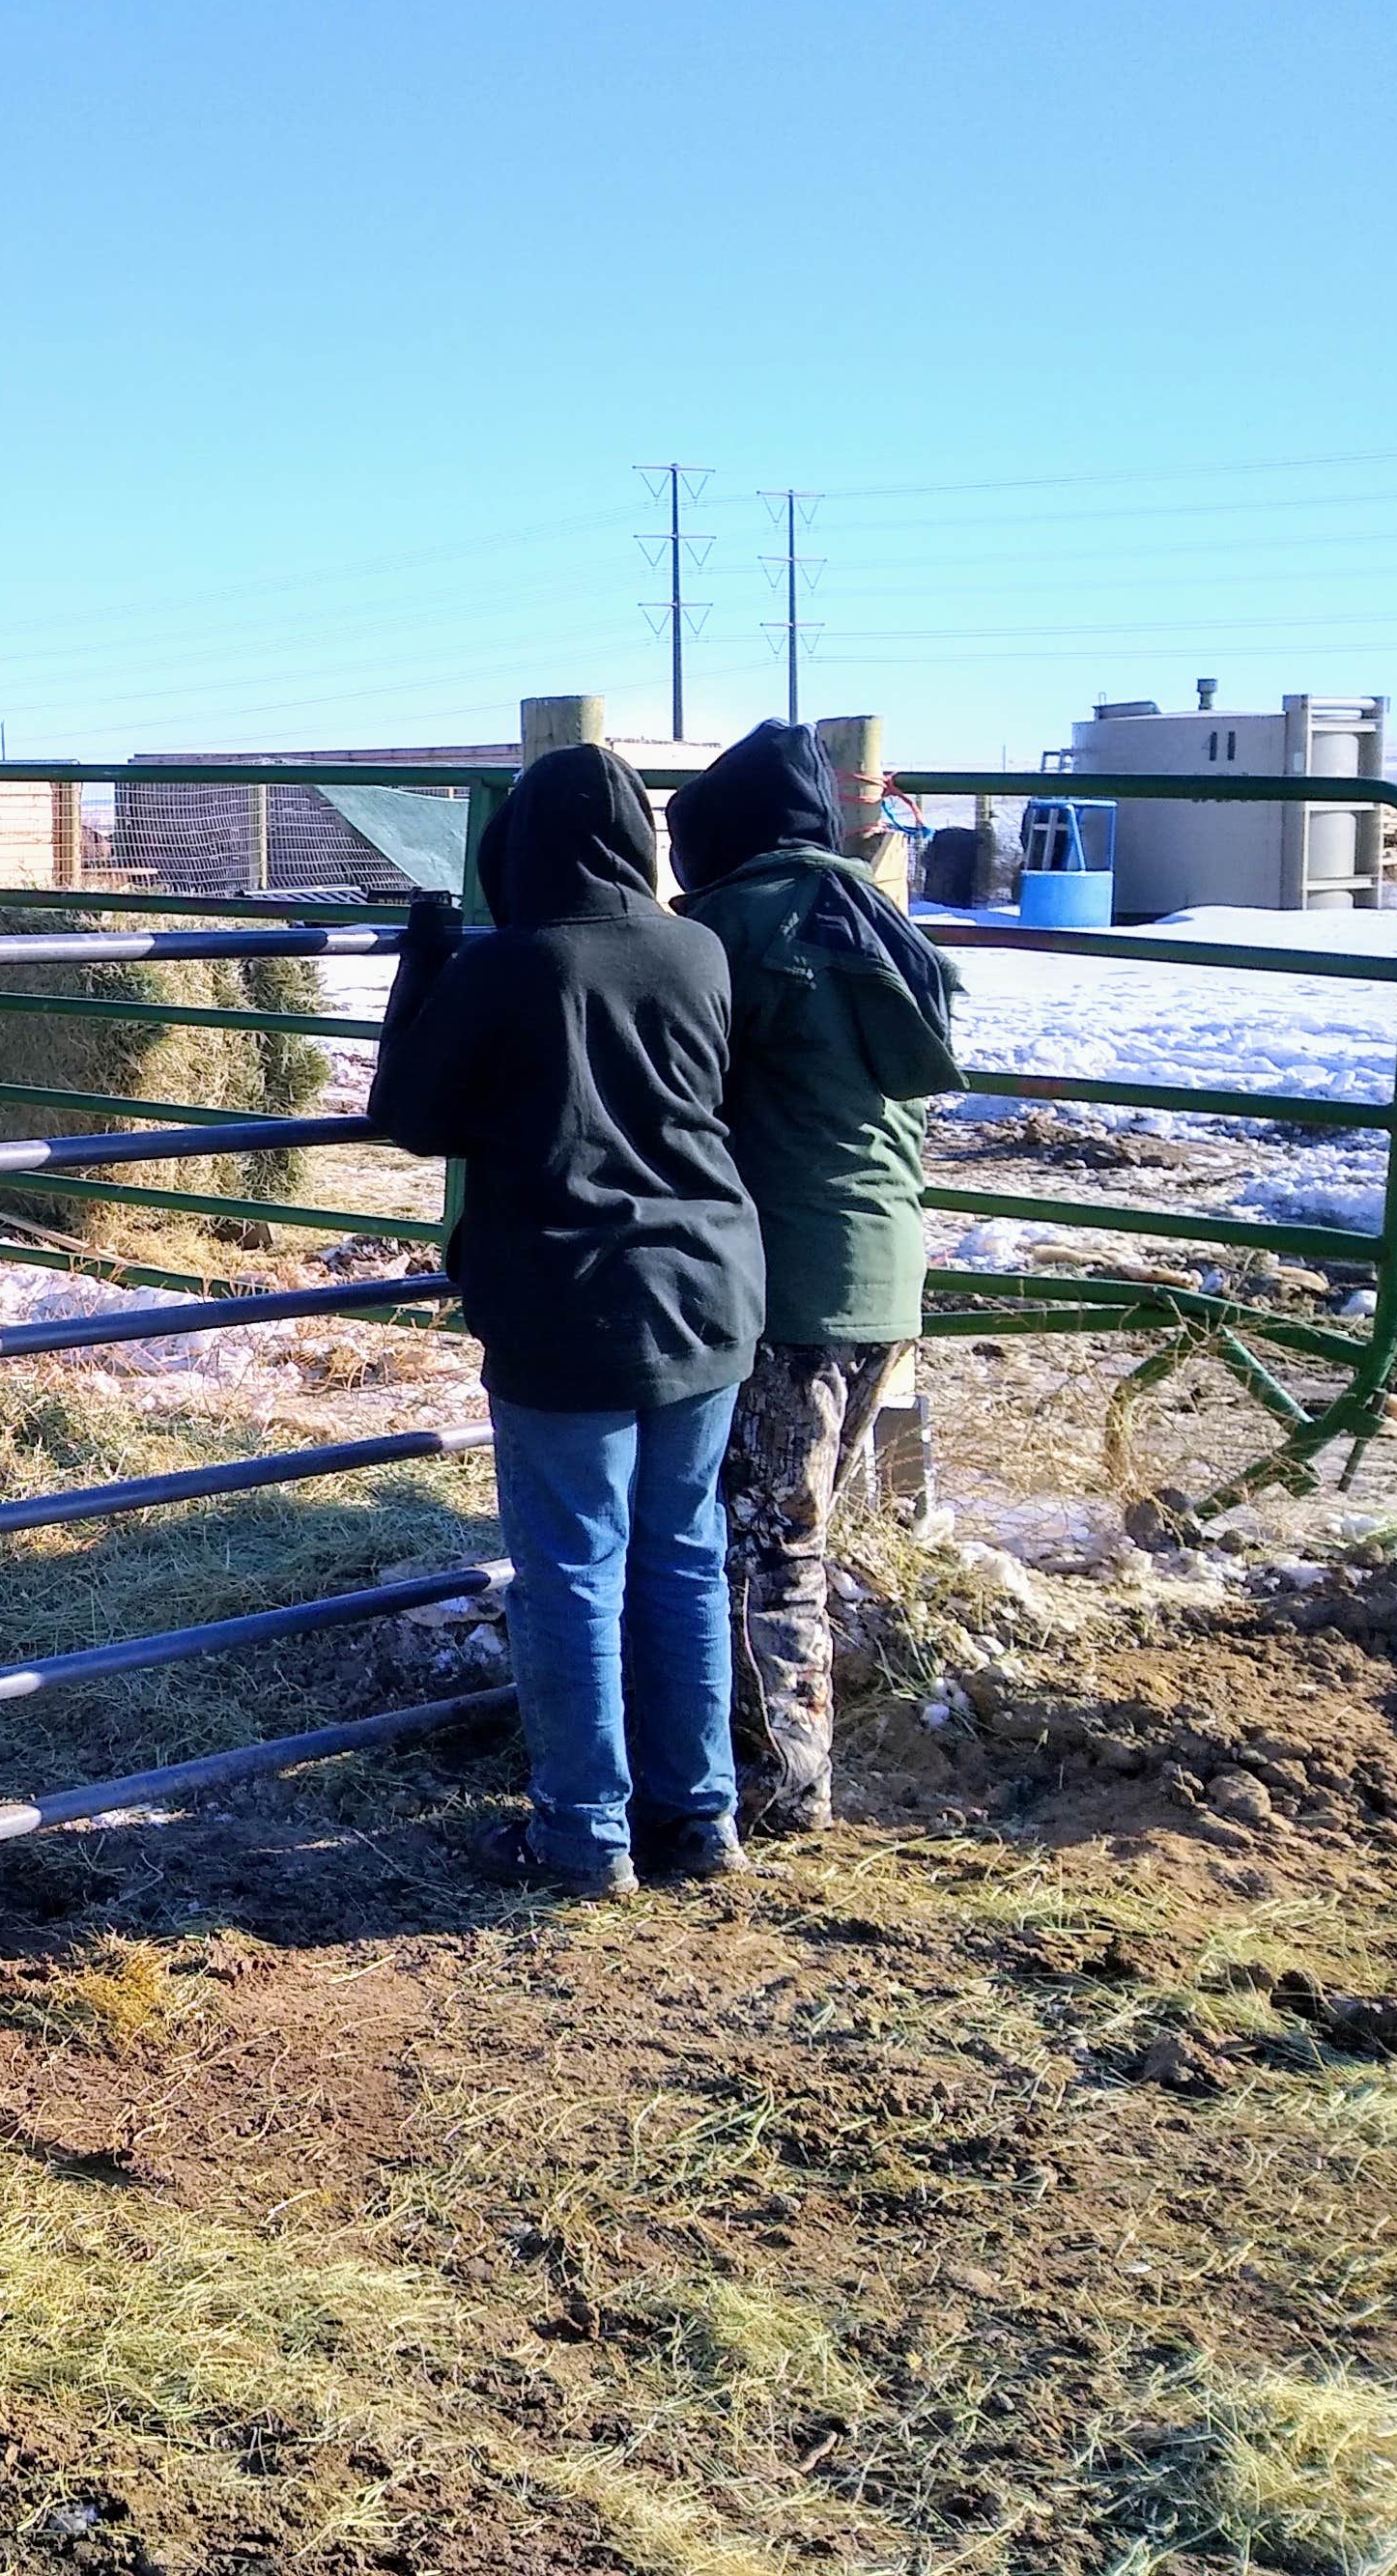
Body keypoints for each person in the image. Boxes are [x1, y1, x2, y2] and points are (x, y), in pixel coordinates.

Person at [373, 744, 766, 1897]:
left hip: (567, 1303)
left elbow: (409, 1115)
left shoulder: (515, 967)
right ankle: (698, 1816)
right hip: (707, 1288)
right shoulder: (696, 949)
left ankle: (582, 1831)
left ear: (520, 849)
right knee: (683, 1555)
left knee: (571, 1567)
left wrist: (427, 967)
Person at [665, 720, 962, 1836]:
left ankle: (776, 1791)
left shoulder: (738, 924)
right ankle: (775, 1767)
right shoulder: (873, 914)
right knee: (799, 1526)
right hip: (885, 1271)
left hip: (789, 1282)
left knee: (765, 1545)